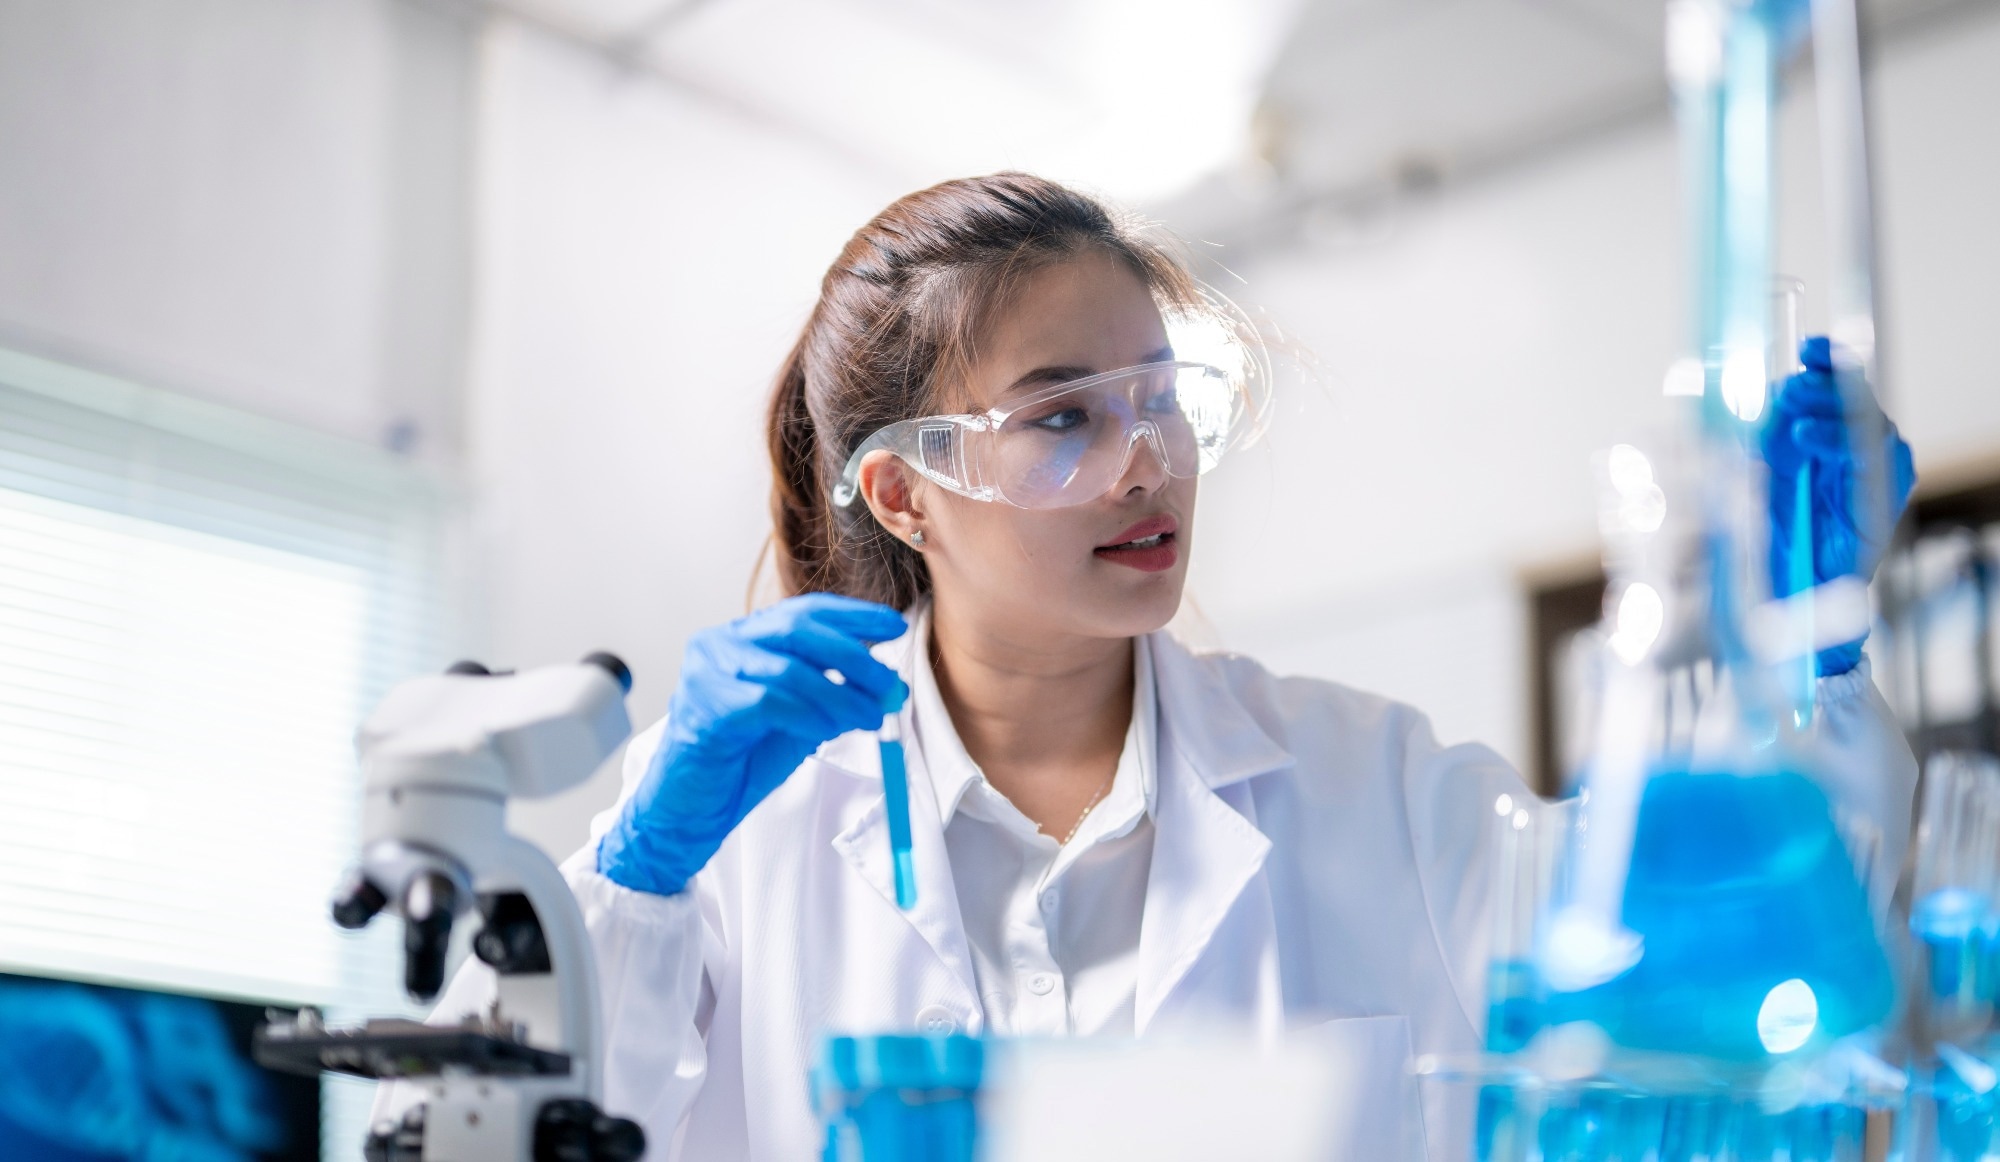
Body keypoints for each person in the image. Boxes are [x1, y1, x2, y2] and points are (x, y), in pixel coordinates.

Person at [410, 173, 1918, 1159]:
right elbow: (504, 1126)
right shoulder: (751, 831)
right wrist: (636, 881)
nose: (1152, 463)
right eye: (1065, 416)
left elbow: (1717, 999)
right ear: (903, 492)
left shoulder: (1368, 782)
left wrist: (1815, 652)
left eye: (1163, 396)